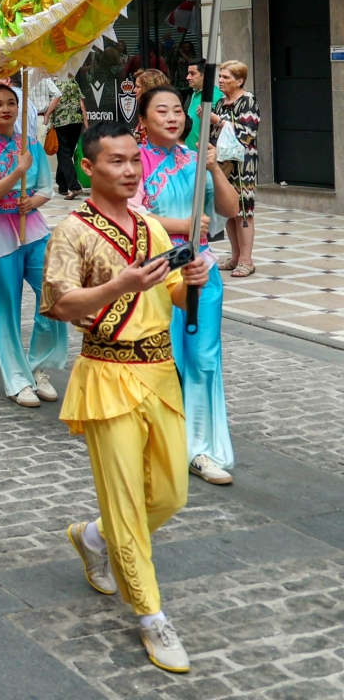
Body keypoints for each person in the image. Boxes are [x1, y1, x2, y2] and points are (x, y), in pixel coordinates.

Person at [41, 121, 211, 676]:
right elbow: (62, 305)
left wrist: (196, 281)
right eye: (116, 161)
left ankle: (91, 537)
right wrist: (121, 286)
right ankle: (151, 616)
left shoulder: (152, 229)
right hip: (107, 376)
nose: (131, 170)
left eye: (135, 160)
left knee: (170, 495)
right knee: (127, 504)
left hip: (160, 371)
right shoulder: (71, 231)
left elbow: (175, 296)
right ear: (89, 167)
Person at [133, 85, 240, 485]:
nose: (173, 117)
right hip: (157, 272)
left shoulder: (195, 161)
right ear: (143, 121)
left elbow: (230, 210)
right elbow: (131, 217)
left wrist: (213, 167)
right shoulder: (134, 161)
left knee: (205, 360)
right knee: (166, 359)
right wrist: (183, 226)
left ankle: (200, 447)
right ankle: (160, 437)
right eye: (161, 111)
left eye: (178, 109)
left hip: (201, 271)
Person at [0, 83, 68, 406]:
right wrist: (18, 171)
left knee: (54, 293)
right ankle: (16, 378)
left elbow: (45, 188)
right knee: (5, 308)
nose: (6, 109)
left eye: (12, 102)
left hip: (34, 230)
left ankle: (38, 366)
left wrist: (32, 202)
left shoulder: (31, 144)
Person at [212, 61, 260, 277]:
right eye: (220, 76)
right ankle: (235, 256)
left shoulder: (248, 100)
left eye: (226, 77)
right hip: (223, 162)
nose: (221, 80)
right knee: (229, 210)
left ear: (239, 81)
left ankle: (246, 260)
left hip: (243, 164)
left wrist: (218, 121)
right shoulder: (221, 102)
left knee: (243, 211)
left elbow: (248, 133)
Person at [49, 76, 86, 199]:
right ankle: (63, 186)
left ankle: (74, 186)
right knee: (67, 153)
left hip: (61, 122)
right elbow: (82, 106)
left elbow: (52, 103)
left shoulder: (54, 84)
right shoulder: (73, 82)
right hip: (77, 122)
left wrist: (48, 117)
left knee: (63, 154)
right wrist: (86, 125)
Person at [183, 59, 221, 151]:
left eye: (192, 73)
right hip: (191, 154)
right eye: (188, 73)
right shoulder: (195, 93)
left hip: (204, 156)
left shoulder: (216, 96)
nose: (187, 77)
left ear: (205, 75)